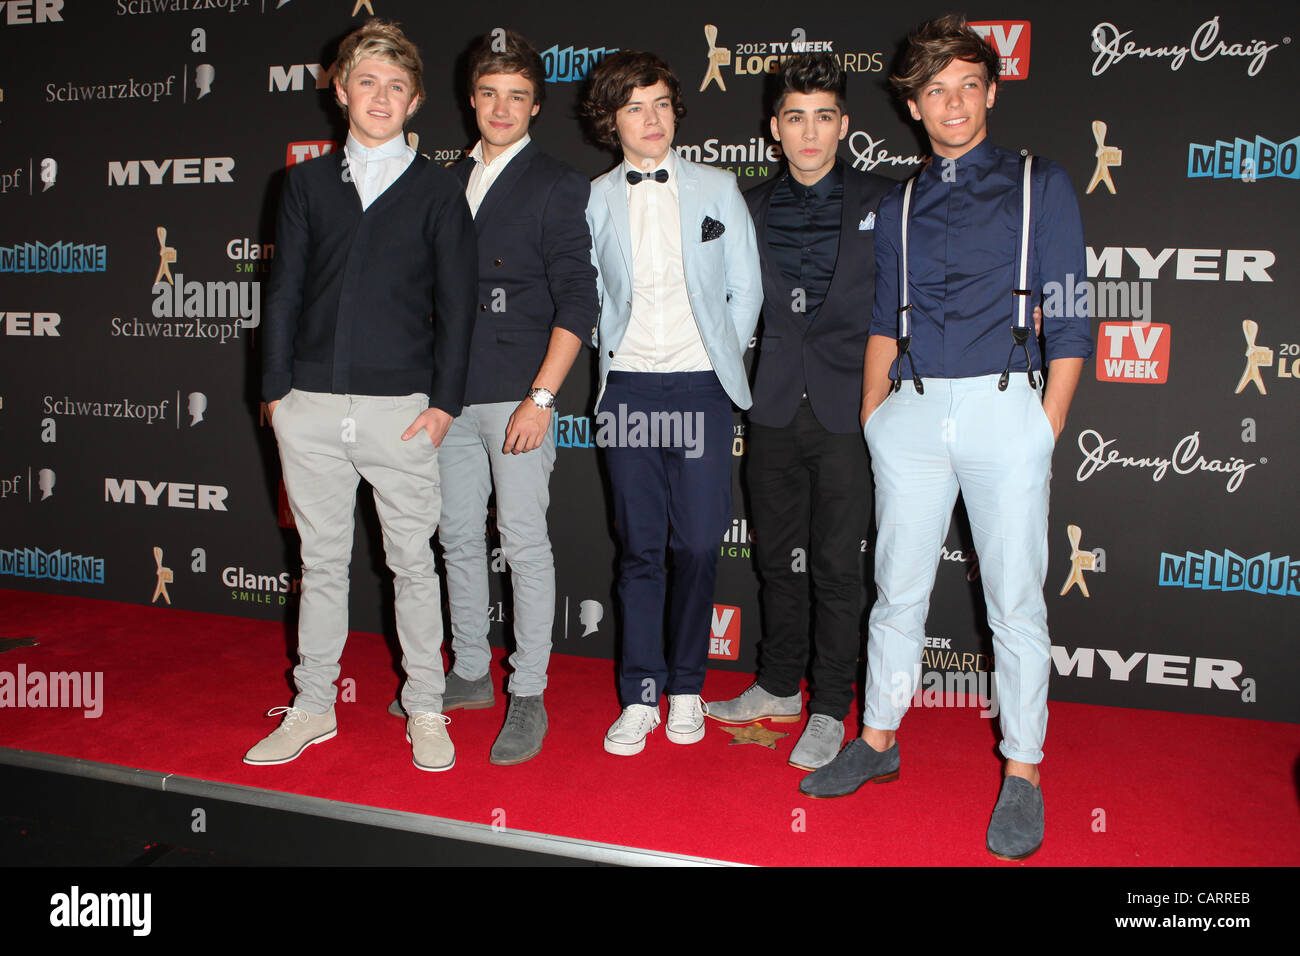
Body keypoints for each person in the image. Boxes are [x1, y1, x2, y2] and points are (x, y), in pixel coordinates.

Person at [799, 15, 1092, 862]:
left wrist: (1048, 423)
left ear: (991, 93)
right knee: (895, 591)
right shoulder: (896, 204)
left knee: (1015, 604)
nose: (953, 102)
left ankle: (1025, 770)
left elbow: (1070, 314)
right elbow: (883, 324)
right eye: (936, 90)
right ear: (915, 108)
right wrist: (875, 415)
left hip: (1009, 407)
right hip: (913, 412)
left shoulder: (1043, 183)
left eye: (968, 85)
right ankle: (879, 740)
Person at [246, 19, 477, 773]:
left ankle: (428, 710)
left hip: (402, 412)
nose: (381, 97)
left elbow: (459, 302)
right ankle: (313, 707)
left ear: (414, 103)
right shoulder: (305, 183)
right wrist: (275, 392)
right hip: (308, 408)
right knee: (321, 563)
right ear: (341, 90)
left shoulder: (440, 191)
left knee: (414, 566)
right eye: (367, 82)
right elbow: (281, 294)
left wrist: (443, 403)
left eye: (397, 87)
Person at [386, 30, 598, 767]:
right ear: (470, 100)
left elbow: (578, 300)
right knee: (455, 538)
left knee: (523, 542)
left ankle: (529, 691)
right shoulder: (444, 178)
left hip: (518, 396)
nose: (501, 108)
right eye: (488, 93)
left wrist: (542, 397)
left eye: (517, 96)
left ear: (536, 106)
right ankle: (471, 672)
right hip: (449, 395)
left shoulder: (559, 184)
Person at [706, 54, 892, 771]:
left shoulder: (885, 201)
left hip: (852, 411)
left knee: (837, 567)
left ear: (843, 125)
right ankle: (780, 686)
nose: (809, 132)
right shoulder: (744, 209)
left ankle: (828, 708)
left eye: (823, 116)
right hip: (774, 407)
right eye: (794, 117)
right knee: (777, 562)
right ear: (773, 129)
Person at [580, 51, 762, 756]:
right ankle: (642, 695)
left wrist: (721, 359)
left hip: (699, 388)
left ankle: (687, 686)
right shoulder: (594, 199)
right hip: (628, 389)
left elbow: (746, 289)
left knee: (694, 543)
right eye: (634, 107)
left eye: (659, 103)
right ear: (610, 120)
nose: (650, 119)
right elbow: (588, 296)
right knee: (640, 550)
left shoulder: (719, 188)